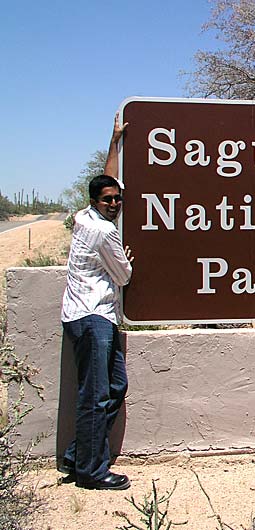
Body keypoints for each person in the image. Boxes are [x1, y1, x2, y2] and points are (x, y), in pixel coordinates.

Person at [59, 114, 133, 490]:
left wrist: (114, 140)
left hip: (86, 316)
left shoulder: (81, 216)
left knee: (114, 387)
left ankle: (77, 455)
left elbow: (109, 180)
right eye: (109, 200)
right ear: (95, 203)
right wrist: (128, 263)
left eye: (118, 199)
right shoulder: (104, 232)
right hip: (94, 319)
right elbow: (124, 277)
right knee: (96, 394)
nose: (115, 203)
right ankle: (91, 471)